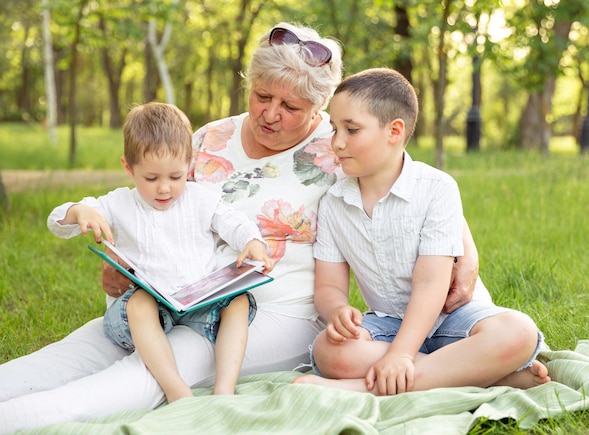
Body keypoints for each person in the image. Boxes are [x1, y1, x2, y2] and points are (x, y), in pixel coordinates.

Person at [0, 24, 476, 431]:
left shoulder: (339, 149)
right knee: (77, 349)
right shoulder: (211, 137)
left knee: (151, 372)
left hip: (268, 313)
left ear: (320, 107)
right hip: (175, 295)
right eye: (262, 95)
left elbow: (416, 185)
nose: (271, 113)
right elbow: (155, 206)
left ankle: (18, 421)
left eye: (291, 106)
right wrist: (125, 263)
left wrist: (466, 248)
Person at [293, 68, 551, 395]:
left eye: (352, 129)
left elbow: (431, 282)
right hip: (387, 322)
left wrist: (402, 355)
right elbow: (329, 285)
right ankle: (482, 373)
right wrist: (338, 310)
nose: (337, 142)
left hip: (453, 318)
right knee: (328, 351)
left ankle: (365, 387)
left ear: (395, 131)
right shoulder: (333, 202)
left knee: (518, 332)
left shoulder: (437, 188)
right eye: (334, 129)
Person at [48, 102, 273, 402]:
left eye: (176, 177)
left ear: (188, 163)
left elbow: (232, 222)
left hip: (197, 304)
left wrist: (252, 240)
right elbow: (57, 222)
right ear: (128, 168)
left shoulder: (200, 198)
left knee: (239, 301)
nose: (164, 188)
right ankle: (177, 391)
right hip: (146, 311)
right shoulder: (118, 203)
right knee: (140, 304)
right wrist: (79, 211)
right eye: (151, 179)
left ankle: (224, 389)